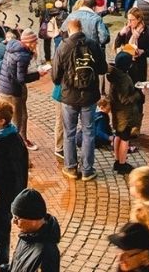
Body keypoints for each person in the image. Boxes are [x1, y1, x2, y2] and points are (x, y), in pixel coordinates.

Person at [53, 16, 107, 180]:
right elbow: (102, 68)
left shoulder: (63, 46)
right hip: (89, 96)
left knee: (69, 132)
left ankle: (70, 168)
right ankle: (87, 170)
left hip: (69, 96)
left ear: (69, 30)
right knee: (88, 132)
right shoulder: (92, 44)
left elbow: (55, 76)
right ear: (81, 28)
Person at [0, 97, 30, 268]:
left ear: (1, 121)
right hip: (15, 192)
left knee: (1, 235)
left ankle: (2, 264)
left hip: (1, 197)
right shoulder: (15, 136)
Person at [0, 29, 44, 150]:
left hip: (2, 87)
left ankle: (15, 141)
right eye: (34, 42)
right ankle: (16, 145)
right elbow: (21, 78)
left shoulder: (13, 46)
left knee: (5, 117)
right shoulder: (23, 56)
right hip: (13, 91)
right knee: (18, 119)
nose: (36, 44)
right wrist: (38, 74)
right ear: (29, 42)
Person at [107, 51, 145, 174]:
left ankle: (117, 160)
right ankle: (122, 164)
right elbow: (125, 99)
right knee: (125, 138)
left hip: (117, 112)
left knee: (118, 135)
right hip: (125, 114)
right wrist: (139, 93)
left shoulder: (114, 74)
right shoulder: (123, 78)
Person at [6, 188, 61, 272]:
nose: (13, 221)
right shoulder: (26, 235)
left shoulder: (47, 255)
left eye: (17, 218)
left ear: (33, 219)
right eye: (13, 216)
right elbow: (18, 265)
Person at [115, 7, 149, 84]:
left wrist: (142, 52)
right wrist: (121, 34)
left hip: (139, 66)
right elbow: (117, 45)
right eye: (128, 19)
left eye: (132, 20)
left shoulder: (148, 31)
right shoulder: (127, 29)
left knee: (139, 90)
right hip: (126, 65)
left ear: (139, 19)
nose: (129, 22)